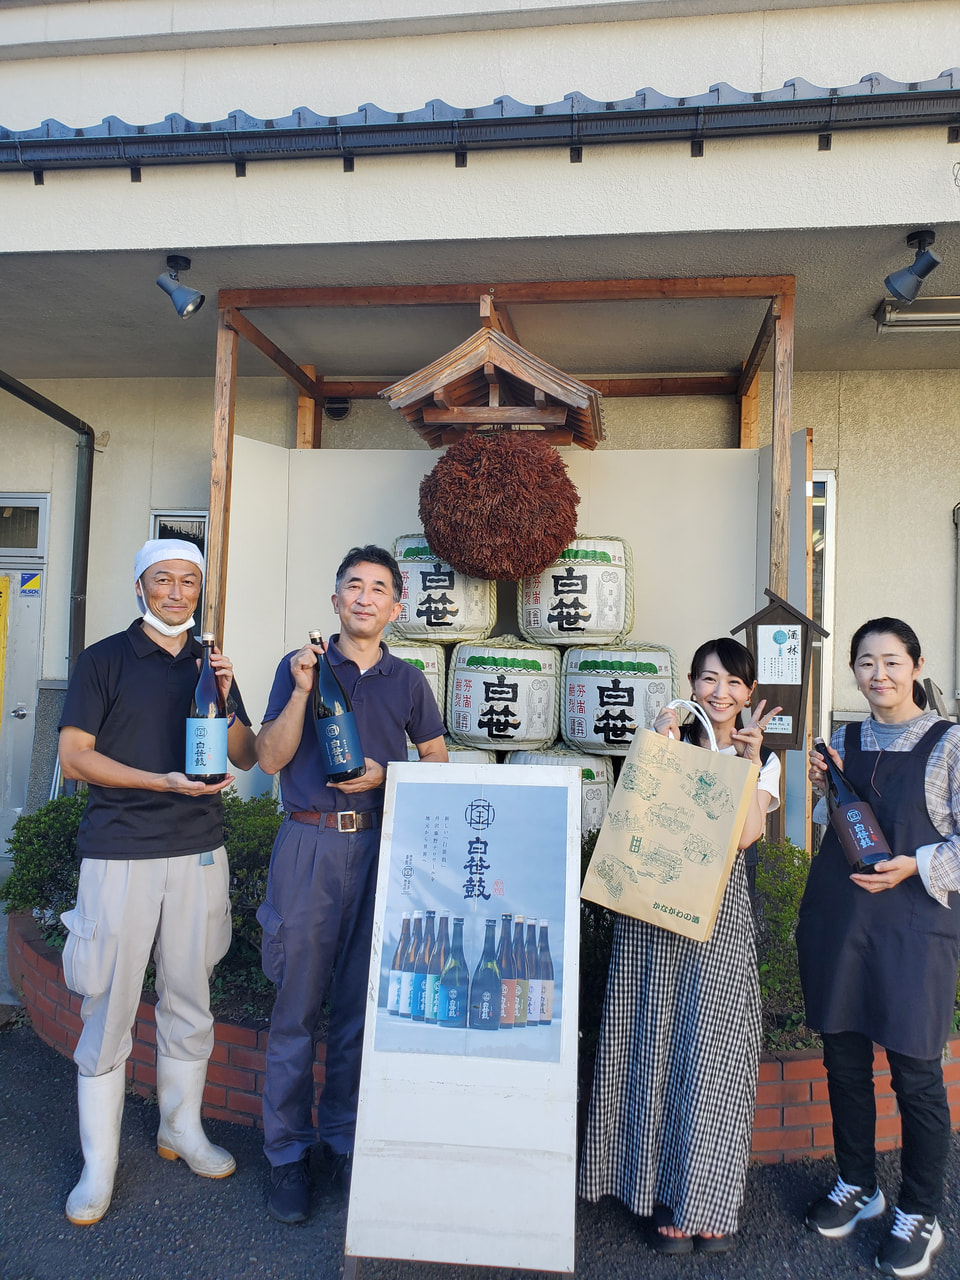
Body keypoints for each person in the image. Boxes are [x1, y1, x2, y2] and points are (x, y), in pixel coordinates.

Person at [56, 538, 258, 1226]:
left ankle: (181, 1128)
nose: (177, 591)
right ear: (140, 585)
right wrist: (160, 781)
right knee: (107, 1005)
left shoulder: (210, 663)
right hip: (121, 853)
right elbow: (76, 759)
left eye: (189, 581)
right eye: (163, 579)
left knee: (190, 996)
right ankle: (99, 1166)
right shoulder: (104, 660)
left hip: (200, 852)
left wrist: (228, 696)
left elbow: (246, 753)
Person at [255, 544, 447, 1224]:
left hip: (382, 847)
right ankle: (285, 1153)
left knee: (358, 1007)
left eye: (379, 589)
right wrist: (305, 692)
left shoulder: (407, 680)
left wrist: (386, 776)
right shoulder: (300, 667)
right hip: (309, 841)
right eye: (353, 586)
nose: (366, 597)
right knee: (296, 1008)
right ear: (335, 599)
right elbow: (270, 758)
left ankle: (340, 1138)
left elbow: (436, 760)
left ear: (397, 607)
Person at [579, 637, 781, 1254]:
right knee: (650, 1042)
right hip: (650, 916)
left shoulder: (761, 760)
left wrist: (746, 762)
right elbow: (633, 818)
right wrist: (658, 749)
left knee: (712, 1053)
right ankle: (655, 1193)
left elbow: (744, 838)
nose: (719, 693)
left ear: (749, 694)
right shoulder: (669, 742)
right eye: (708, 679)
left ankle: (709, 1203)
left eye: (733, 683)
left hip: (718, 920)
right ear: (691, 684)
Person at [799, 618, 960, 1279]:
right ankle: (858, 1183)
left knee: (915, 1074)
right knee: (842, 1057)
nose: (879, 675)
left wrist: (913, 865)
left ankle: (922, 1210)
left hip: (913, 929)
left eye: (891, 662)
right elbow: (828, 825)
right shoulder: (845, 737)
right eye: (866, 663)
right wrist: (820, 787)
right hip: (844, 923)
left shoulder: (950, 743)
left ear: (916, 666)